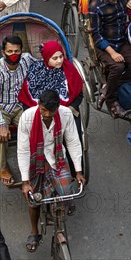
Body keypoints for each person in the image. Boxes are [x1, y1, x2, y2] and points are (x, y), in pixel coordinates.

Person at [17, 90, 85, 253]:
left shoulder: (66, 114)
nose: (47, 115)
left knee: (68, 192)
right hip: (35, 160)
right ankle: (35, 232)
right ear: (38, 106)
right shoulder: (27, 117)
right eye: (43, 110)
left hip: (57, 158)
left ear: (58, 108)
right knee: (34, 199)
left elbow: (73, 142)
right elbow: (23, 150)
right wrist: (25, 181)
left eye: (51, 111)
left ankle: (62, 203)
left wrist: (78, 171)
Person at [89, 0, 131, 118]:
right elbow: (96, 35)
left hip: (121, 40)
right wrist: (112, 53)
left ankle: (108, 88)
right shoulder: (96, 6)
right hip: (105, 45)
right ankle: (112, 101)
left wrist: (128, 3)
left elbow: (127, 0)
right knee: (117, 66)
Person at [0, 36, 35, 186]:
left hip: (21, 106)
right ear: (3, 52)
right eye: (10, 51)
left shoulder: (26, 59)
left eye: (17, 51)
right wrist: (1, 123)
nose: (13, 54)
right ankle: (2, 167)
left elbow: (44, 63)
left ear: (21, 51)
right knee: (1, 135)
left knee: (35, 128)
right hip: (2, 108)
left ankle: (35, 163)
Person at [18, 40, 83, 114]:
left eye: (61, 56)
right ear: (47, 58)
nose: (59, 61)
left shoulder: (69, 68)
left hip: (66, 110)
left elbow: (79, 93)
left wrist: (71, 108)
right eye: (55, 58)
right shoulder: (36, 70)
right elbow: (27, 94)